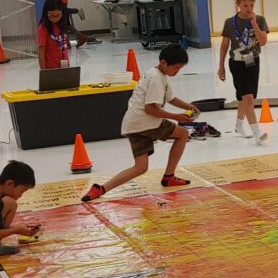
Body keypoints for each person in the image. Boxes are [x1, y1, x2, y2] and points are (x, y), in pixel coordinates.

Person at [82, 44, 198, 202]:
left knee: (140, 167)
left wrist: (188, 106)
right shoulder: (156, 79)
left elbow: (170, 98)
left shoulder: (156, 74)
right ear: (164, 62)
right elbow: (150, 109)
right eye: (176, 68)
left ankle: (101, 189)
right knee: (183, 134)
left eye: (180, 69)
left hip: (132, 124)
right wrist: (176, 117)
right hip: (146, 122)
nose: (177, 72)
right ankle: (169, 176)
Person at [217, 0, 270, 144]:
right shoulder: (230, 22)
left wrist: (254, 24)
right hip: (237, 63)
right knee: (248, 98)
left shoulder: (260, 20)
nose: (249, 8)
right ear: (238, 4)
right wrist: (221, 66)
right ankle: (257, 133)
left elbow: (263, 42)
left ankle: (239, 125)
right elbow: (224, 45)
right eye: (245, 5)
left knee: (245, 97)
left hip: (253, 61)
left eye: (251, 5)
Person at [36, 0, 71, 70]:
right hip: (50, 68)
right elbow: (41, 51)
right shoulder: (43, 28)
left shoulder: (62, 25)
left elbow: (64, 47)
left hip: (64, 65)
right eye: (51, 15)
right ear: (46, 13)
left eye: (58, 15)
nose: (55, 18)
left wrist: (68, 66)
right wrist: (43, 71)